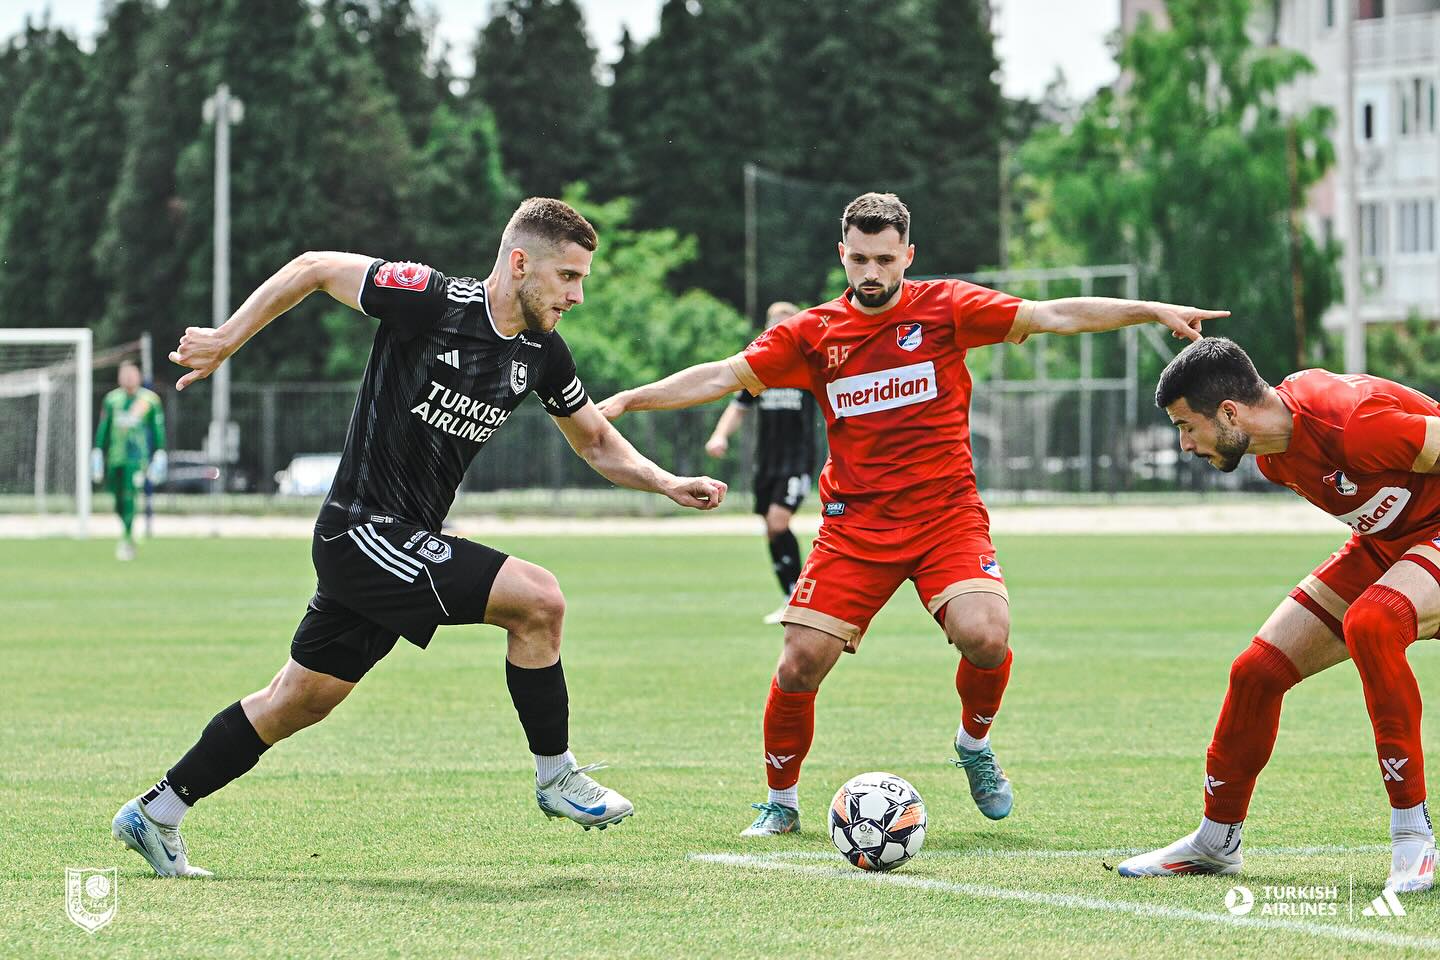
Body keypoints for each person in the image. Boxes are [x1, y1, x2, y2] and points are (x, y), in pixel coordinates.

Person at [110, 197, 727, 877]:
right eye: (568, 277)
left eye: (582, 279)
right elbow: (315, 267)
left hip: (402, 541)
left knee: (296, 700)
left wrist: (666, 482)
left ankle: (156, 811)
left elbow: (597, 442)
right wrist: (227, 337)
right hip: (361, 529)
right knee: (539, 600)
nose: (577, 295)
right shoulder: (430, 300)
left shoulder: (541, 354)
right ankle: (557, 776)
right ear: (520, 263)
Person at [599, 192, 1225, 836]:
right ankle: (780, 802)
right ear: (843, 255)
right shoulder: (811, 334)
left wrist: (1148, 310)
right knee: (798, 663)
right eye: (860, 259)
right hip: (854, 526)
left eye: (885, 260)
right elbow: (718, 377)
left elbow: (1056, 315)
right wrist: (625, 401)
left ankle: (974, 746)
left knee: (987, 637)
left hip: (945, 516)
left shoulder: (949, 307)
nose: (871, 273)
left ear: (908, 257)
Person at [1116, 337, 1437, 894]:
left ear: (1230, 412)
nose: (1185, 444)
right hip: (1388, 543)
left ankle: (1414, 838)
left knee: (1374, 623)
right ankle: (1217, 842)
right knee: (1256, 673)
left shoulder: (1349, 424)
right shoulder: (1270, 457)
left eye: (1186, 426)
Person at [705, 301, 819, 624]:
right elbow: (739, 406)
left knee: (778, 522)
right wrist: (720, 435)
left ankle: (799, 596)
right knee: (771, 530)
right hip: (767, 463)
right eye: (775, 324)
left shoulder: (807, 367)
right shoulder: (761, 370)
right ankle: (790, 596)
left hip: (796, 462)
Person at [92, 361, 166, 561]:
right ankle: (129, 531)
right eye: (124, 375)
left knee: (130, 497)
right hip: (115, 457)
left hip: (136, 459)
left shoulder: (149, 400)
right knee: (117, 500)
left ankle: (127, 540)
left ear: (139, 376)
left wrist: (159, 452)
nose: (128, 379)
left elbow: (158, 428)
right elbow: (104, 427)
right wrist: (98, 451)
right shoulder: (112, 400)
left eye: (132, 375)